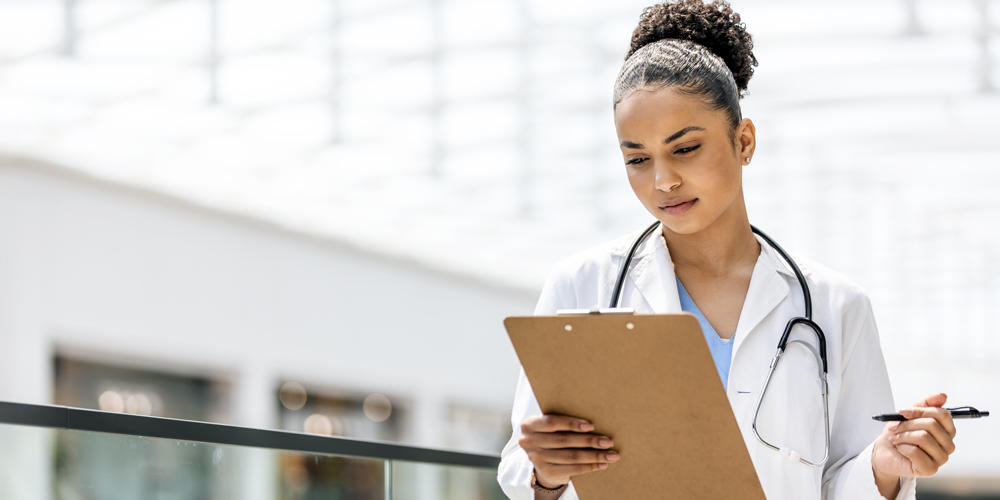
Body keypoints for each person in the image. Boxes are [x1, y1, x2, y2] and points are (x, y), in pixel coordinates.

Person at [496, 1, 958, 499]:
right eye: (636, 159)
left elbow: (845, 481)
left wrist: (885, 466)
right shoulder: (581, 285)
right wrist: (546, 471)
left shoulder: (837, 307)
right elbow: (521, 477)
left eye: (685, 148)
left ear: (744, 140)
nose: (663, 181)